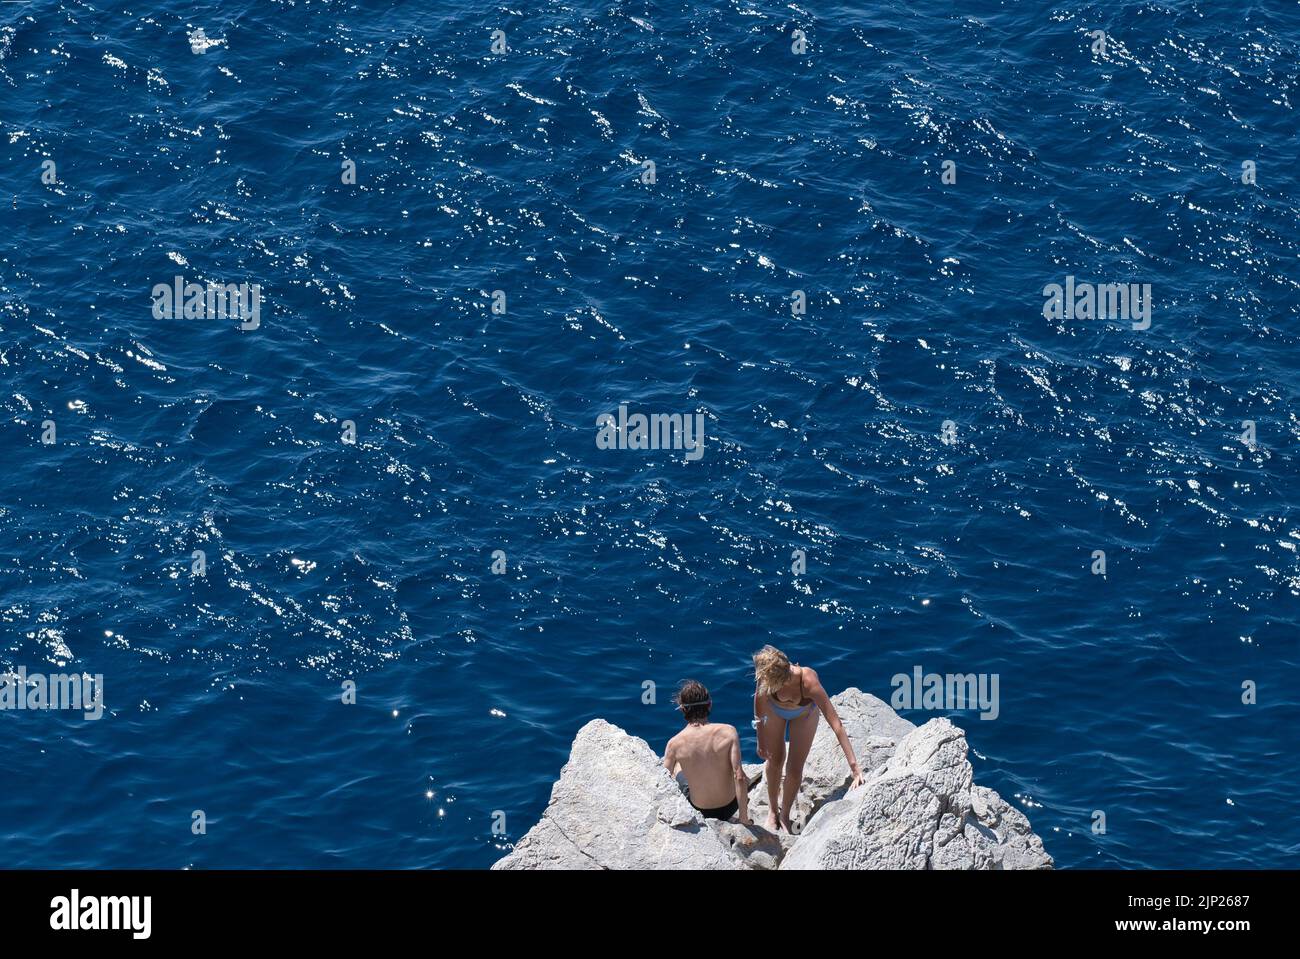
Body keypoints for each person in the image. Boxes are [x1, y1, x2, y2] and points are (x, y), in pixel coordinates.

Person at [752, 645, 863, 832]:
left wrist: (855, 768)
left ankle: (785, 815)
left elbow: (836, 724)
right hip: (775, 712)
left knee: (795, 769)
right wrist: (760, 741)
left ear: (779, 679)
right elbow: (759, 711)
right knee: (775, 758)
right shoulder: (766, 679)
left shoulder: (808, 682)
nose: (761, 682)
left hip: (804, 714)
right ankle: (772, 811)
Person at [663, 680, 751, 824]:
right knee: (740, 773)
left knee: (677, 766)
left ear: (682, 708)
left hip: (699, 809)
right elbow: (739, 776)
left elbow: (663, 780)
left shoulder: (674, 743)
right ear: (709, 704)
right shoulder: (728, 731)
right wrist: (744, 819)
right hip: (730, 806)